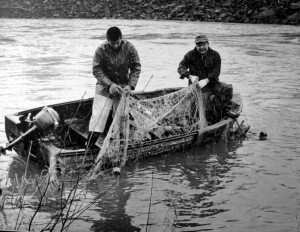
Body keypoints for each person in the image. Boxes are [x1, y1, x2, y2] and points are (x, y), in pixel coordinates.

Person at [87, 26, 141, 149]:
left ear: (121, 39)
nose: (115, 46)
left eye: (118, 43)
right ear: (108, 41)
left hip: (123, 86)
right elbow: (96, 70)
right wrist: (109, 84)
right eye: (112, 43)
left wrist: (130, 85)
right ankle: (89, 146)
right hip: (104, 86)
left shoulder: (130, 48)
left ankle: (118, 145)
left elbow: (136, 67)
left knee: (121, 117)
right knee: (98, 117)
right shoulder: (101, 50)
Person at [178, 33, 233, 124]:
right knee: (202, 103)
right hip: (196, 85)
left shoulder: (215, 55)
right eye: (199, 45)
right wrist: (189, 76)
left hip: (212, 83)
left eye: (204, 44)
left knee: (228, 88)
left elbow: (216, 72)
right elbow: (181, 67)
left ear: (208, 43)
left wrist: (207, 80)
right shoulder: (190, 55)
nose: (201, 47)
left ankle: (227, 113)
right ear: (196, 45)